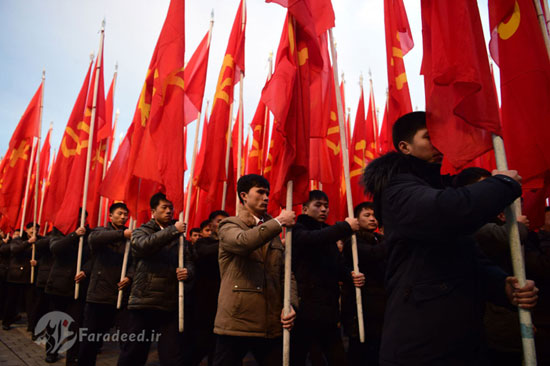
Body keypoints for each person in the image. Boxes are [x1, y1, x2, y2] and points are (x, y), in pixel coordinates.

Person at [361, 111, 539, 365]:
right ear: (405, 146)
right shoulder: (397, 189)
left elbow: (467, 257)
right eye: (428, 137)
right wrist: (502, 185)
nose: (438, 145)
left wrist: (502, 286)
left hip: (460, 338)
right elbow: (445, 211)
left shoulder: (436, 186)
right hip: (421, 342)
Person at [213, 174, 297, 366]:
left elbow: (286, 273)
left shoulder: (272, 231)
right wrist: (278, 222)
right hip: (236, 321)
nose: (266, 197)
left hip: (270, 322)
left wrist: (290, 303)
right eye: (260, 192)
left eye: (267, 193)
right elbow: (243, 242)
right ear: (244, 196)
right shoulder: (229, 224)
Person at [117, 192, 194, 366]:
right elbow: (143, 246)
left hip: (171, 301)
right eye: (164, 207)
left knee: (172, 354)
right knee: (134, 351)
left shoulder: (180, 237)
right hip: (145, 299)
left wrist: (188, 272)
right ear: (153, 211)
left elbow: (190, 261)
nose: (169, 211)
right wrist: (172, 230)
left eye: (171, 208)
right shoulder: (142, 230)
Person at [290, 190, 363, 366]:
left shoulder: (328, 233)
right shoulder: (297, 229)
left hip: (328, 310)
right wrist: (344, 227)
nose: (324, 210)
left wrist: (351, 276)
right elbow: (312, 239)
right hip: (304, 309)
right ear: (305, 209)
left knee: (337, 358)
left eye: (326, 206)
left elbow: (336, 266)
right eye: (318, 205)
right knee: (297, 357)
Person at [78, 202, 134, 366]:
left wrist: (129, 277)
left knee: (128, 339)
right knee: (91, 340)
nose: (123, 217)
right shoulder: (101, 231)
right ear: (110, 216)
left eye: (125, 214)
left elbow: (135, 261)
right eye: (119, 213)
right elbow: (94, 239)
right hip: (99, 295)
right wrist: (122, 234)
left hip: (121, 295)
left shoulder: (131, 238)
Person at [342, 202, 386, 366]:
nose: (373, 219)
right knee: (361, 353)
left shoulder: (380, 239)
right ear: (357, 220)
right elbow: (373, 254)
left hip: (382, 306)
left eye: (374, 215)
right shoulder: (352, 242)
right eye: (367, 215)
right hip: (361, 307)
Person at [45, 210, 92, 365]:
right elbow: (55, 248)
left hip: (78, 286)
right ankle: (52, 351)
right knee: (56, 322)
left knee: (76, 325)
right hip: (58, 285)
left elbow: (94, 257)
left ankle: (72, 357)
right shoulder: (60, 231)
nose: (80, 220)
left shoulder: (89, 234)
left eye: (83, 218)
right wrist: (73, 235)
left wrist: (85, 270)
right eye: (77, 217)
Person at [191, 210, 229, 366]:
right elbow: (205, 253)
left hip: (225, 300)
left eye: (226, 221)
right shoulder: (203, 243)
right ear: (211, 224)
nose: (222, 224)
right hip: (204, 302)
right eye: (219, 221)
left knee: (220, 348)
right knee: (200, 345)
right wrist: (229, 242)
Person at [3, 223, 41, 331]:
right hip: (16, 276)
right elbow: (15, 249)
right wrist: (28, 242)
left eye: (36, 230)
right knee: (11, 300)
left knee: (31, 303)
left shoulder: (39, 240)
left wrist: (36, 262)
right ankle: (7, 320)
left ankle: (32, 325)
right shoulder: (18, 239)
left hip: (30, 276)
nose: (34, 232)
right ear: (26, 230)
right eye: (32, 230)